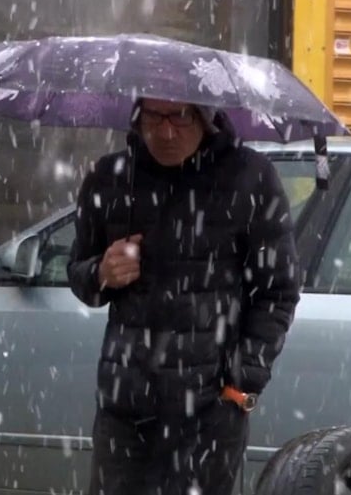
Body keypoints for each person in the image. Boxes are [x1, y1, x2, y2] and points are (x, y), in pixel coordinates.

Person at [67, 98, 301, 495]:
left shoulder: (250, 178)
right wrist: (100, 273)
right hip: (125, 409)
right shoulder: (110, 178)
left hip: (210, 414)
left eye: (180, 116)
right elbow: (79, 273)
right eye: (153, 117)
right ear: (137, 115)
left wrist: (241, 383)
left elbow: (278, 290)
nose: (165, 131)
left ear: (206, 117)